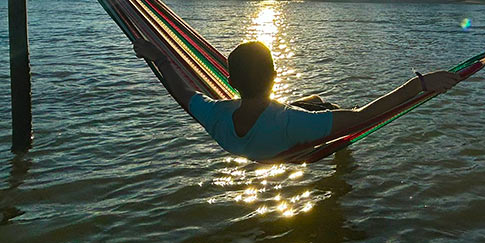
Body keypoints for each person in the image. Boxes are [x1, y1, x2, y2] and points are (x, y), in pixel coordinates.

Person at [132, 39, 459, 162]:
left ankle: (315, 101)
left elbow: (182, 92)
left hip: (256, 141)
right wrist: (420, 84)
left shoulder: (215, 114)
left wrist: (159, 58)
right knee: (330, 116)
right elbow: (364, 115)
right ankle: (324, 111)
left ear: (230, 82)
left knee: (311, 102)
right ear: (275, 76)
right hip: (292, 145)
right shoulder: (292, 122)